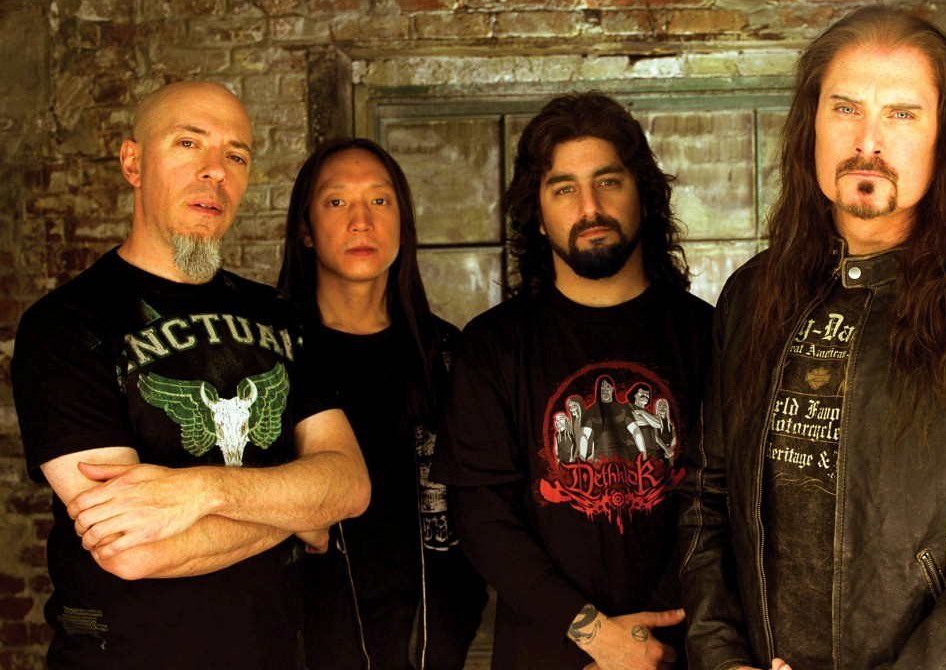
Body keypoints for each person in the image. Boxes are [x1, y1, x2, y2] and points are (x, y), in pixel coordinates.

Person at [679, 6, 946, 670]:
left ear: (945, 137)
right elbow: (707, 500)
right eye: (845, 109)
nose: (867, 141)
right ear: (810, 125)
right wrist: (723, 661)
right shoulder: (751, 295)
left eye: (901, 114)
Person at [10, 80, 371, 669]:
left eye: (236, 156)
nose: (215, 171)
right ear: (133, 163)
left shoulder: (280, 315)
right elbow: (132, 551)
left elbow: (350, 484)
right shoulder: (66, 325)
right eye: (188, 143)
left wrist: (198, 492)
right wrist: (300, 510)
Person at [430, 91, 713, 670]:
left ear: (643, 195)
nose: (590, 207)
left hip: (684, 649)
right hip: (548, 654)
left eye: (608, 181)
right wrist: (596, 635)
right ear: (537, 215)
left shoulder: (709, 335)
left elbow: (722, 503)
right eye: (564, 189)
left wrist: (647, 639)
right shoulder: (492, 346)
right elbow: (483, 520)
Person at [277, 138, 488, 669]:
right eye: (336, 202)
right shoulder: (268, 355)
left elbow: (483, 508)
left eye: (379, 200)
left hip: (429, 646)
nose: (361, 222)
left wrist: (453, 622)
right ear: (305, 229)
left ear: (403, 223)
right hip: (303, 644)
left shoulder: (448, 355)